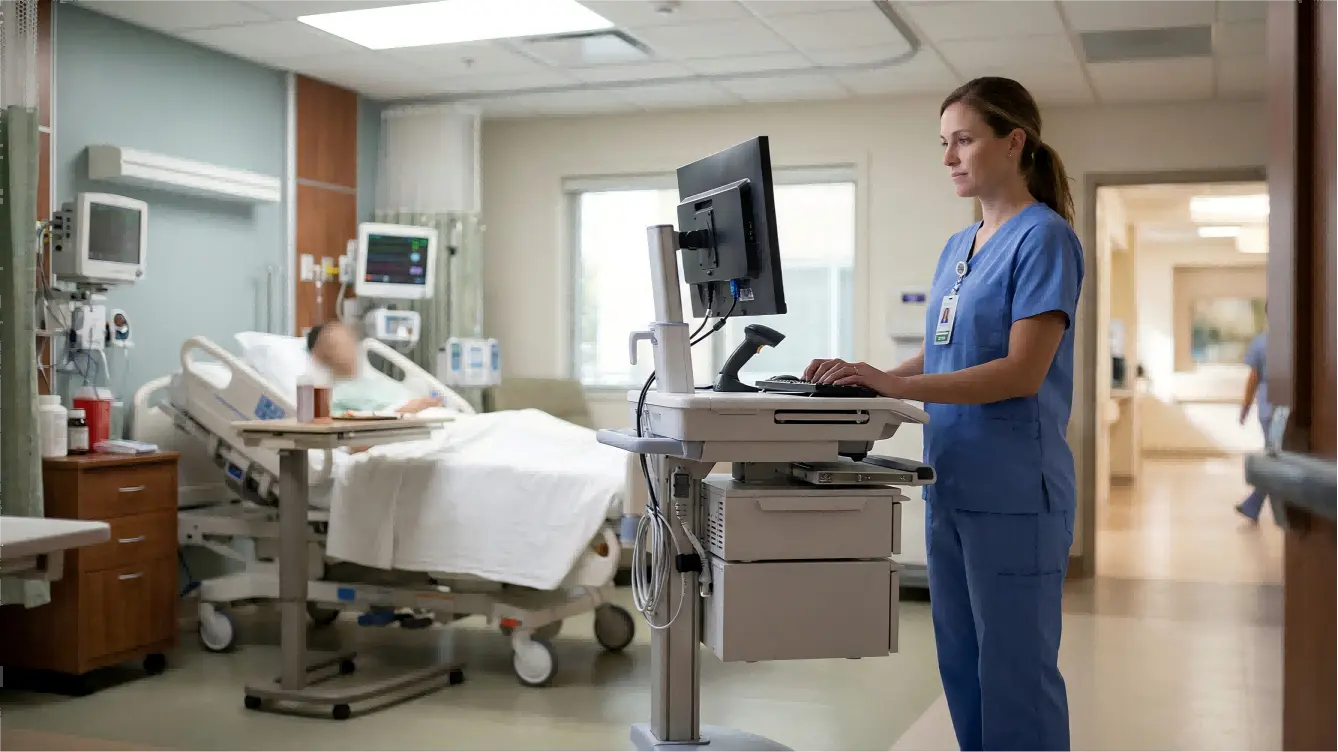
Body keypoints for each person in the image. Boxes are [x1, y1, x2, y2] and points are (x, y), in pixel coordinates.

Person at [804, 77, 1083, 752]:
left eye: (964, 139)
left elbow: (1021, 371)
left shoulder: (1044, 239)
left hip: (1017, 492)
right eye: (943, 143)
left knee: (1014, 672)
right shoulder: (959, 250)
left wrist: (892, 383)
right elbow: (940, 355)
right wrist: (868, 378)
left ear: (1014, 141)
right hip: (952, 484)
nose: (950, 156)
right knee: (962, 666)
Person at [305, 320, 441, 415]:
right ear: (322, 355)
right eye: (337, 344)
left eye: (348, 339)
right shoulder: (336, 398)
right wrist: (406, 412)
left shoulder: (371, 383)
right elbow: (354, 443)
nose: (349, 347)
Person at [1236, 328, 1271, 523]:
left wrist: (1245, 408)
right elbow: (1254, 378)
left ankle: (1253, 504)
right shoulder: (1296, 337)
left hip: (1268, 410)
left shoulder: (1261, 341)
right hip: (1283, 410)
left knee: (1274, 457)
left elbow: (1253, 378)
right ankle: (1253, 504)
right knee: (1276, 457)